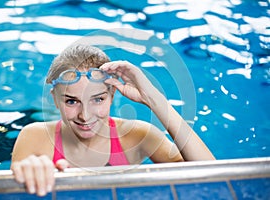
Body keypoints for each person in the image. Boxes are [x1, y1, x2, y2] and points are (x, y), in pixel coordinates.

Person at [11, 44, 215, 196]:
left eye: (98, 99)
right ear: (55, 100)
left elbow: (212, 176)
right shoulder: (35, 136)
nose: (85, 115)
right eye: (72, 101)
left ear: (112, 97)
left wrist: (154, 99)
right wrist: (29, 170)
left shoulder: (137, 136)